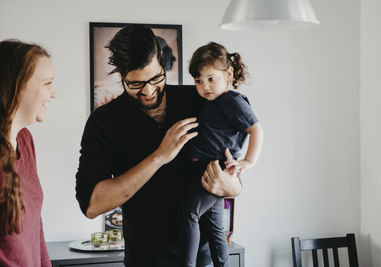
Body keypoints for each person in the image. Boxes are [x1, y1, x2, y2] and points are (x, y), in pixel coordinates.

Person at [75, 25, 242, 267]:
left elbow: (232, 167)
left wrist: (232, 186)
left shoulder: (198, 101)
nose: (148, 91)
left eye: (155, 78)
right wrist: (159, 157)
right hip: (146, 260)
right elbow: (92, 205)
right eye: (135, 84)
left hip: (203, 260)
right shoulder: (103, 122)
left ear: (162, 64)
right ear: (121, 75)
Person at [178, 42, 263, 267]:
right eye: (198, 81)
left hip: (216, 169)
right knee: (214, 223)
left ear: (228, 74)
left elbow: (256, 129)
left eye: (210, 79)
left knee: (189, 213)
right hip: (206, 168)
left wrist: (247, 162)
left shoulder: (233, 101)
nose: (204, 86)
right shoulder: (214, 101)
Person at [0, 39, 57, 266]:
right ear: (18, 85)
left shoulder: (25, 141)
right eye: (47, 83)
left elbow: (35, 228)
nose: (53, 94)